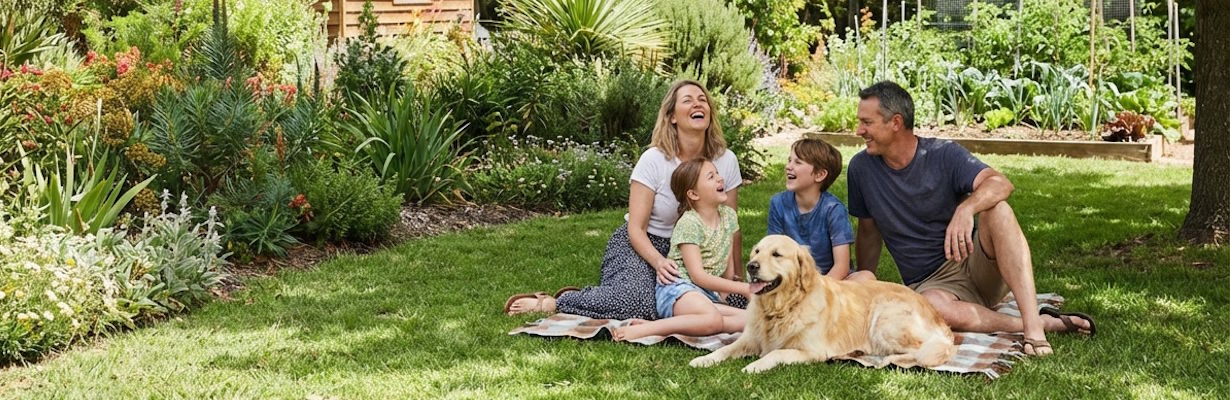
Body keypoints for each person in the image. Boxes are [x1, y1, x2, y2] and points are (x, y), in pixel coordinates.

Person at [846, 81, 1095, 356]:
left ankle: (1034, 329)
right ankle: (1035, 323)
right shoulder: (861, 169)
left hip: (977, 264)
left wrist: (966, 209)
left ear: (895, 122)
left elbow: (1001, 183)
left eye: (866, 122)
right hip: (932, 286)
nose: (859, 131)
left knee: (998, 209)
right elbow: (868, 232)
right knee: (930, 308)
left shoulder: (943, 154)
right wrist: (863, 286)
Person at [504, 80, 744, 320]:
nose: (697, 104)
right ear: (671, 116)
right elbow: (636, 228)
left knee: (740, 301)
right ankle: (558, 301)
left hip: (698, 250)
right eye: (688, 100)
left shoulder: (726, 160)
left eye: (702, 99)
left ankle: (605, 296)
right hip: (646, 245)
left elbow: (729, 226)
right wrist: (659, 263)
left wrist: (735, 275)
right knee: (639, 305)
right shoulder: (653, 160)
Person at [612, 159, 748, 341]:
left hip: (706, 294)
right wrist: (744, 288)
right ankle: (648, 329)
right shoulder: (689, 223)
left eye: (717, 173)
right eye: (711, 176)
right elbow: (697, 276)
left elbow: (727, 263)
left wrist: (726, 292)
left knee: (750, 320)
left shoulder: (728, 216)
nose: (720, 179)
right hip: (679, 289)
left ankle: (694, 322)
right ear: (693, 194)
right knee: (712, 319)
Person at [767, 138, 874, 281]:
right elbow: (770, 251)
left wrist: (818, 292)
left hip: (832, 281)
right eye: (789, 160)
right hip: (793, 279)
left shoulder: (833, 210)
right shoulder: (778, 203)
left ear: (819, 175)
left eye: (797, 162)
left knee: (866, 277)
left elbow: (841, 266)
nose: (788, 166)